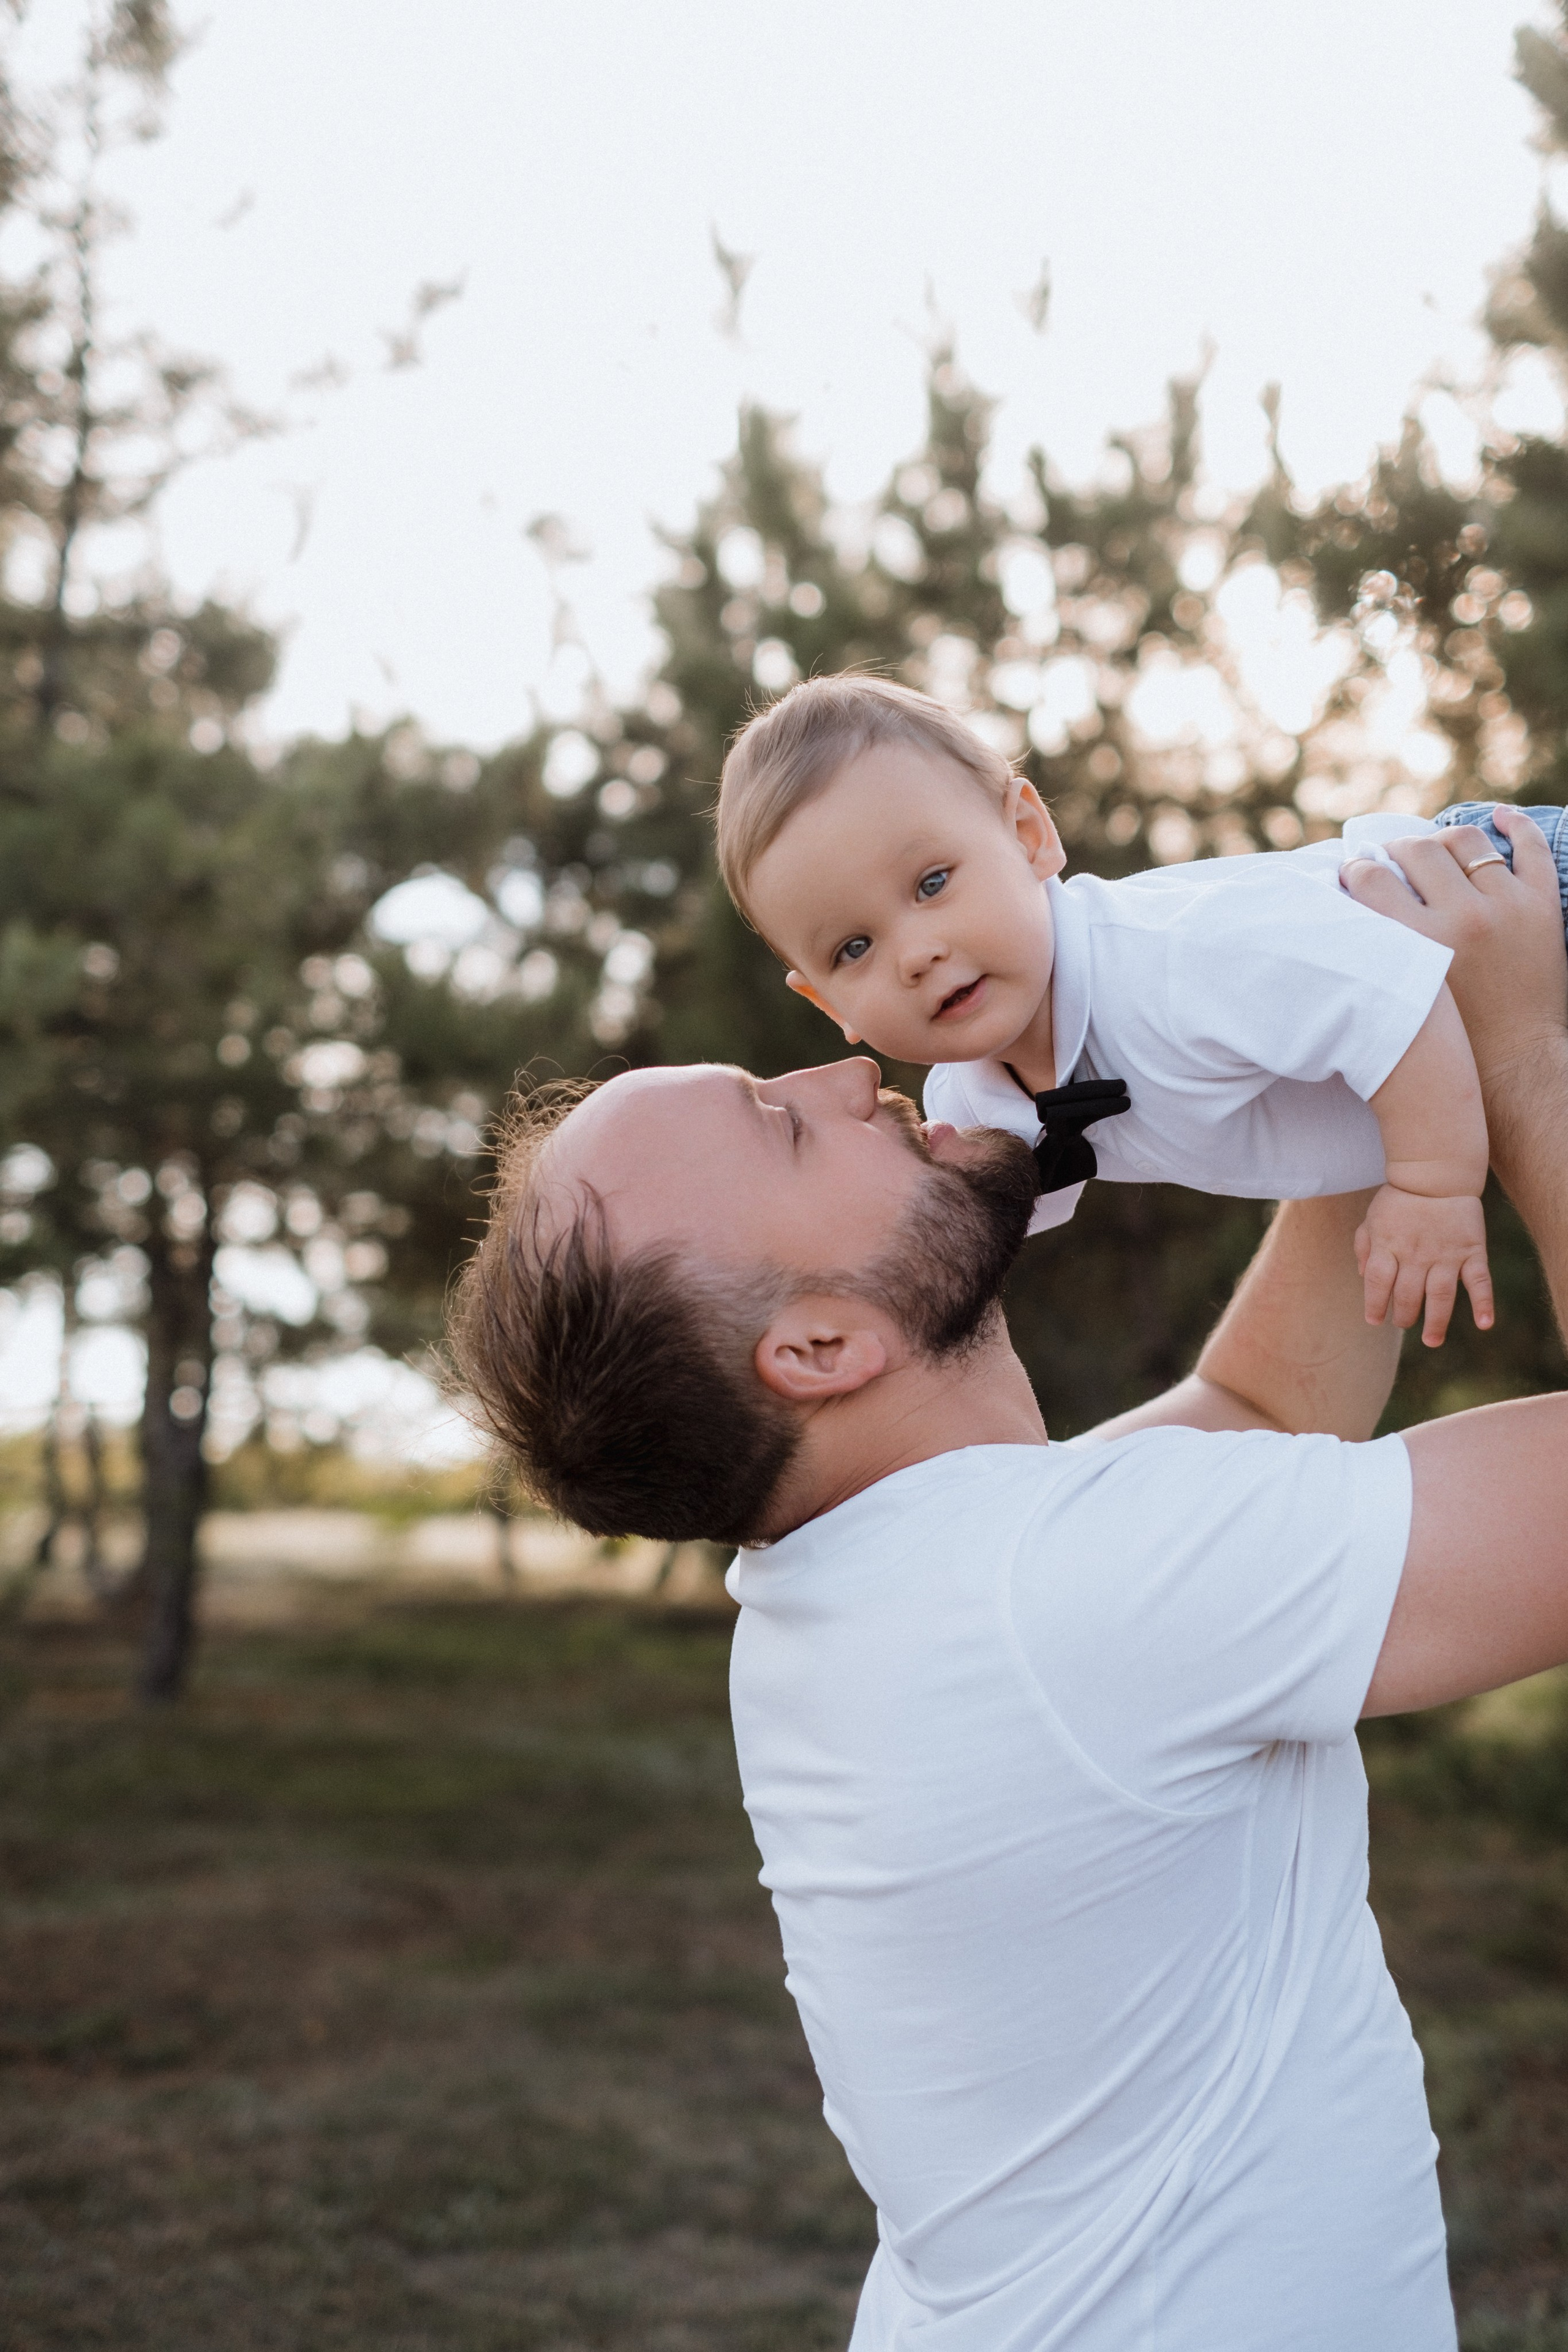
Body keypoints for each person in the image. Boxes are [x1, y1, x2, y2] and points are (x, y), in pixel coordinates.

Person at [448, 813, 1568, 2351]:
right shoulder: (1069, 1596)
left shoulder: (878, 1591)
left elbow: (1256, 1414)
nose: (850, 1070)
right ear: (822, 1348)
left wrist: (1370, 1037)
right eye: (782, 1123)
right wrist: (1515, 1051)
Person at [715, 674, 1517, 1349]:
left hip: (1501, 892)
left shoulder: (1172, 960)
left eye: (931, 884)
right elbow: (953, 1243)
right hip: (1494, 1047)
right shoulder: (971, 1105)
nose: (913, 953)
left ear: (1028, 835)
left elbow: (1389, 991)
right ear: (828, 1004)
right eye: (853, 948)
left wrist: (1432, 1189)